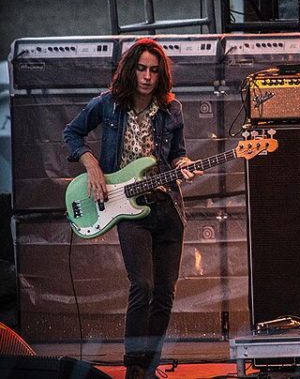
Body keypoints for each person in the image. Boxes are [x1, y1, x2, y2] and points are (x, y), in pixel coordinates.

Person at [63, 38, 202, 379]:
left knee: (165, 294)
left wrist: (183, 164)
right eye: (141, 68)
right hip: (128, 207)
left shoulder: (172, 110)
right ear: (130, 69)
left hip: (166, 208)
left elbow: (176, 154)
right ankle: (133, 366)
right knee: (143, 285)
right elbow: (72, 133)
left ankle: (148, 366)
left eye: (154, 71)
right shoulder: (109, 105)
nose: (147, 76)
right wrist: (91, 163)